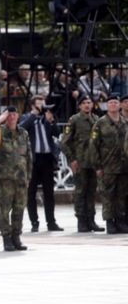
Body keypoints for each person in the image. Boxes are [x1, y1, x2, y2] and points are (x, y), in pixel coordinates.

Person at [0, 107, 31, 251]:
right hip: (5, 180)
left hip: (21, 179)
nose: (12, 117)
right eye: (9, 115)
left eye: (14, 114)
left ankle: (16, 237)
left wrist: (28, 176)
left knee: (19, 209)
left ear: (18, 116)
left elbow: (28, 156)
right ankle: (6, 238)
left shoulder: (23, 133)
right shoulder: (0, 132)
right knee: (5, 210)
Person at [20, 96, 63, 232]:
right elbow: (22, 129)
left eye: (43, 104)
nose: (42, 106)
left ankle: (51, 222)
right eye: (39, 104)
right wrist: (34, 115)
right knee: (31, 192)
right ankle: (34, 222)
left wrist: (52, 121)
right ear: (33, 105)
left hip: (47, 158)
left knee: (49, 192)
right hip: (33, 159)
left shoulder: (47, 118)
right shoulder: (26, 117)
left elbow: (57, 133)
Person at [60, 97, 103, 232]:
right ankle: (81, 220)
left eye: (89, 103)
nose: (87, 105)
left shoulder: (97, 120)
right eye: (84, 103)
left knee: (91, 191)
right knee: (80, 192)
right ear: (79, 106)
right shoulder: (74, 120)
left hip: (93, 162)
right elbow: (64, 142)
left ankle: (91, 220)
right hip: (80, 161)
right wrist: (72, 159)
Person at [91, 96, 128, 234]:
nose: (113, 105)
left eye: (115, 102)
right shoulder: (100, 123)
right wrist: (97, 166)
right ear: (107, 106)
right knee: (108, 195)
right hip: (107, 166)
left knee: (121, 195)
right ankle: (109, 222)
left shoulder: (125, 122)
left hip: (123, 166)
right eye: (110, 103)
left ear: (119, 105)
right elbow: (93, 146)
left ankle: (120, 221)